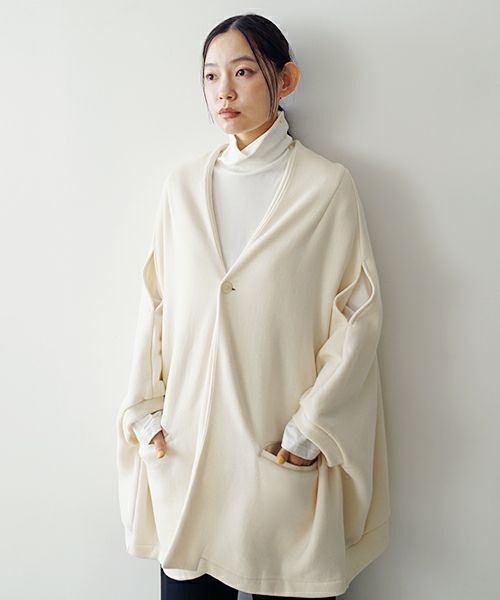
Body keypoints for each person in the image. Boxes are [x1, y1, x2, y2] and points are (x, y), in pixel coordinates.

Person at [116, 13, 391, 600]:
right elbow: (155, 303)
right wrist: (146, 413)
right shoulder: (182, 187)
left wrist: (309, 431)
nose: (224, 91)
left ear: (284, 80)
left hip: (280, 456)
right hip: (187, 455)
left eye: (243, 72)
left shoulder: (325, 187)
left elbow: (357, 318)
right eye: (211, 75)